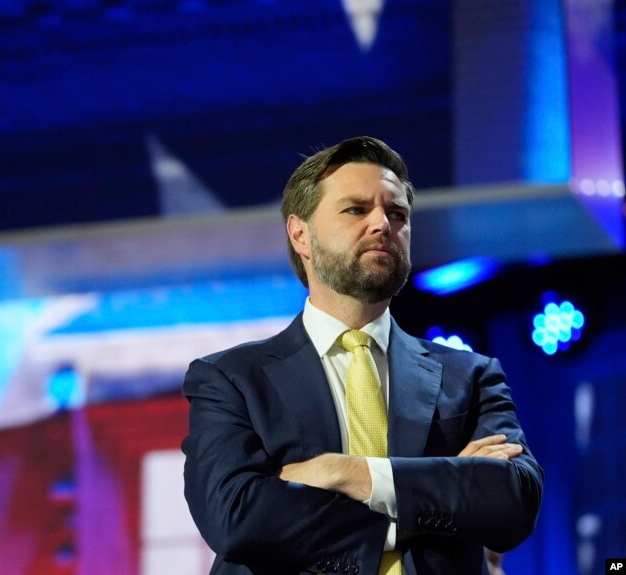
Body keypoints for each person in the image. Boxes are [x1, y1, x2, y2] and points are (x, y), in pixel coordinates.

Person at [181, 136, 543, 575]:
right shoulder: (231, 379)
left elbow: (512, 503)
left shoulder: (470, 376)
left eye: (397, 213)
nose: (382, 225)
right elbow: (238, 521)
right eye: (356, 209)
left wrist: (344, 472)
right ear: (301, 234)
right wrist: (443, 489)